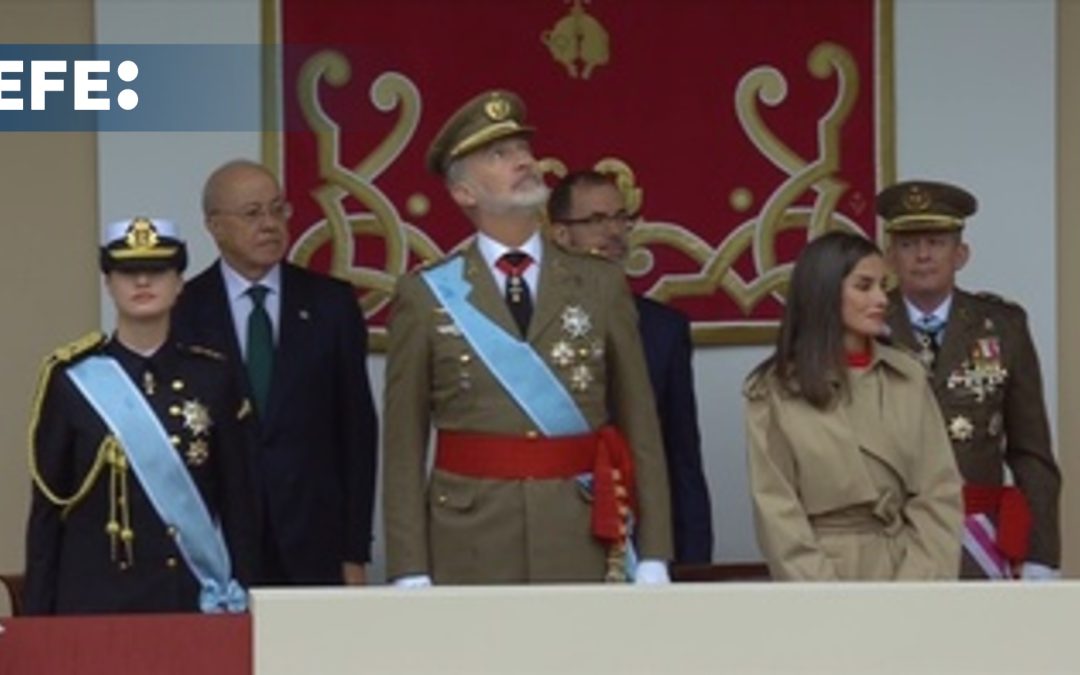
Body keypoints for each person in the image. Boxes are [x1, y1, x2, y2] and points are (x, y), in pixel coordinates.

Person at [382, 90, 673, 585]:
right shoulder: (426, 294)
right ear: (464, 192)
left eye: (522, 149)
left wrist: (655, 553)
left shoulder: (600, 283)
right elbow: (403, 444)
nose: (523, 161)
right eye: (499, 155)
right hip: (470, 536)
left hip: (581, 532)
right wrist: (409, 567)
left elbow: (640, 424)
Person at [24, 217, 256, 614]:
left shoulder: (215, 378)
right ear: (108, 283)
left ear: (180, 282)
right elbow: (47, 515)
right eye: (128, 272)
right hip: (94, 602)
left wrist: (247, 596)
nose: (143, 282)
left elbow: (241, 505)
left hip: (187, 595)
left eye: (158, 270)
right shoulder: (70, 380)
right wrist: (38, 623)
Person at [172, 160, 378, 586]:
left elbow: (357, 433)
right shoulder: (183, 310)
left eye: (277, 209)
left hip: (316, 543)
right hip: (218, 541)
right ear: (214, 225)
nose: (269, 224)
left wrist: (354, 551)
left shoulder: (331, 305)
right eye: (252, 214)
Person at [744, 231, 963, 580]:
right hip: (824, 577)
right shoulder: (775, 390)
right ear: (825, 293)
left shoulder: (907, 376)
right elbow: (777, 512)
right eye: (864, 286)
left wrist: (916, 587)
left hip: (908, 567)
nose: (881, 298)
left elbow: (938, 494)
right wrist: (831, 600)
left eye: (882, 285)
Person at [880, 180, 1061, 580]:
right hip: (892, 539)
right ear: (890, 256)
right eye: (909, 244)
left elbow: (1032, 453)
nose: (923, 255)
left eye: (936, 242)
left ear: (961, 254)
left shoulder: (1003, 326)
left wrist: (1040, 555)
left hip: (977, 536)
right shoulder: (869, 326)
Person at [548, 169, 713, 565]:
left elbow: (681, 457)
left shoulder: (663, 329)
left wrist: (693, 561)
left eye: (621, 218)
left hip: (639, 536)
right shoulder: (534, 325)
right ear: (560, 234)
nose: (614, 232)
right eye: (595, 221)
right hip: (552, 531)